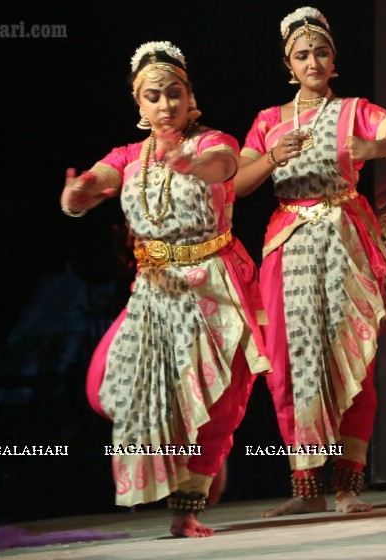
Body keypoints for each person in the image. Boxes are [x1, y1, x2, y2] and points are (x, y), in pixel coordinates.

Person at [63, 41, 268, 538]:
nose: (165, 105)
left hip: (214, 283)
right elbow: (97, 180)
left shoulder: (213, 140)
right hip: (156, 287)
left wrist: (191, 165)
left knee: (222, 398)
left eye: (174, 93)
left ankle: (187, 505)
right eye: (153, 96)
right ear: (140, 105)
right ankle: (175, 462)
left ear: (190, 95)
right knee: (102, 385)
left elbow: (226, 165)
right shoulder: (130, 155)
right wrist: (78, 196)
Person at [234, 6, 386, 515]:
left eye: (321, 52)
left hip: (344, 234)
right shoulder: (268, 122)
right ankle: (305, 488)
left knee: (353, 350)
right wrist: (272, 158)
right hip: (290, 244)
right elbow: (234, 185)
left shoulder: (352, 109)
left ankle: (347, 485)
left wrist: (376, 144)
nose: (313, 61)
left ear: (333, 61)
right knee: (294, 360)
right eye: (302, 55)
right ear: (289, 65)